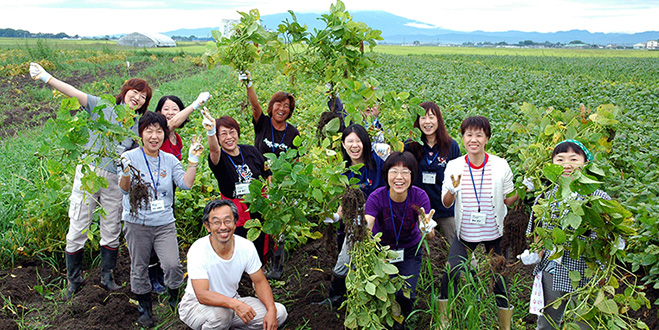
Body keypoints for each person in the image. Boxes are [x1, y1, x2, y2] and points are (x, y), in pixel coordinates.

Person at [29, 62, 153, 299]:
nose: (137, 98)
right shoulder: (102, 106)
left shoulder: (139, 124)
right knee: (78, 224)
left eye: (143, 96)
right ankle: (73, 281)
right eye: (134, 92)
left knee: (112, 227)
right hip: (89, 174)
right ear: (125, 91)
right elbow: (73, 92)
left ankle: (107, 277)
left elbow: (163, 127)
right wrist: (46, 77)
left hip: (116, 179)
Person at [118, 111, 203, 327]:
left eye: (159, 131)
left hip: (164, 222)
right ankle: (144, 308)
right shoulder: (130, 157)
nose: (154, 136)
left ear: (164, 134)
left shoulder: (170, 159)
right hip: (137, 223)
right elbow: (125, 190)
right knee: (139, 266)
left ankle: (173, 299)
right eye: (149, 131)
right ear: (141, 133)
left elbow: (185, 184)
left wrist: (192, 162)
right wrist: (126, 172)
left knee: (173, 264)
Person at [438, 116, 519, 330]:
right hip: (466, 232)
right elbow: (446, 203)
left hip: (495, 232)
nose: (473, 139)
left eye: (479, 135)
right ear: (463, 137)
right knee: (451, 271)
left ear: (487, 139)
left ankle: (505, 327)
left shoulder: (500, 165)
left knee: (500, 281)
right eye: (469, 134)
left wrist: (523, 190)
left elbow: (508, 198)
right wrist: (452, 190)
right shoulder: (455, 166)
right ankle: (443, 321)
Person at [522, 140, 610, 330]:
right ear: (552, 164)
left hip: (587, 271)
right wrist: (535, 253)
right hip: (553, 269)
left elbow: (609, 233)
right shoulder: (545, 197)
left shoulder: (598, 197)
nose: (567, 164)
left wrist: (616, 242)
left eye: (573, 158)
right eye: (560, 159)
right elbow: (538, 232)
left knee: (583, 324)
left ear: (585, 162)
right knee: (547, 323)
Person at [178, 199, 288, 330]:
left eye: (227, 221)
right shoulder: (199, 249)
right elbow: (202, 295)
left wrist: (271, 310)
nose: (223, 227)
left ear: (235, 223)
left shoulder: (245, 246)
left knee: (279, 312)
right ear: (207, 226)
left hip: (231, 301)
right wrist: (235, 304)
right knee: (221, 316)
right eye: (216, 222)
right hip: (195, 305)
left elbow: (259, 282)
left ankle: (228, 326)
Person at [364, 151, 436, 326]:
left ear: (412, 176)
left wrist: (427, 228)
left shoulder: (419, 196)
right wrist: (361, 233)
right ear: (386, 174)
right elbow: (368, 225)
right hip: (381, 252)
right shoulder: (376, 197)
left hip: (409, 251)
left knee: (406, 295)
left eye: (405, 172)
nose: (399, 177)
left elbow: (429, 235)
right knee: (381, 294)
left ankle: (402, 322)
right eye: (394, 171)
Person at [318, 124, 385, 307]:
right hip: (353, 225)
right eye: (350, 141)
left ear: (365, 143)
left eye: (359, 141)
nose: (355, 146)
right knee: (346, 261)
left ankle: (354, 297)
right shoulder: (343, 171)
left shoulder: (378, 165)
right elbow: (343, 201)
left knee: (365, 261)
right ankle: (338, 297)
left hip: (377, 224)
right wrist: (336, 216)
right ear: (343, 144)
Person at [201, 108, 272, 266]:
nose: (229, 137)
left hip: (257, 204)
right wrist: (210, 131)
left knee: (259, 240)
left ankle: (259, 271)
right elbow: (213, 149)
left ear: (237, 132)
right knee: (237, 243)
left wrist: (271, 196)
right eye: (223, 134)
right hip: (234, 209)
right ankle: (239, 276)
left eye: (232, 132)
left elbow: (268, 174)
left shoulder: (251, 151)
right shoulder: (219, 158)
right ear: (218, 138)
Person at [406, 101, 461, 246]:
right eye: (423, 118)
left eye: (431, 117)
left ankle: (469, 269)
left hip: (445, 207)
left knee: (459, 246)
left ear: (438, 120)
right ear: (417, 122)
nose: (427, 122)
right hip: (418, 208)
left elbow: (458, 177)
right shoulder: (410, 145)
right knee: (417, 247)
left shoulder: (451, 146)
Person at [239, 72, 300, 157]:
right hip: (259, 170)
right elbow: (255, 106)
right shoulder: (263, 123)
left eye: (286, 105)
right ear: (272, 106)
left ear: (290, 110)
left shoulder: (293, 132)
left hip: (281, 170)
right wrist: (249, 84)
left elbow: (297, 159)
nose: (281, 108)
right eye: (278, 104)